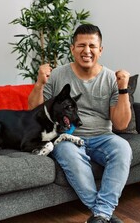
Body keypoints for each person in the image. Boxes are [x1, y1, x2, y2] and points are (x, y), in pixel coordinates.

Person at [28, 24, 133, 223]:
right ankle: (103, 215)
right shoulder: (58, 75)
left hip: (103, 136)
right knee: (69, 154)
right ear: (72, 49)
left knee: (124, 149)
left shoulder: (110, 78)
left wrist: (123, 90)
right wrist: (39, 83)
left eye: (92, 46)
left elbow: (121, 125)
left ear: (100, 50)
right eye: (81, 45)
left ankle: (100, 216)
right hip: (67, 138)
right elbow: (35, 113)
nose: (87, 51)